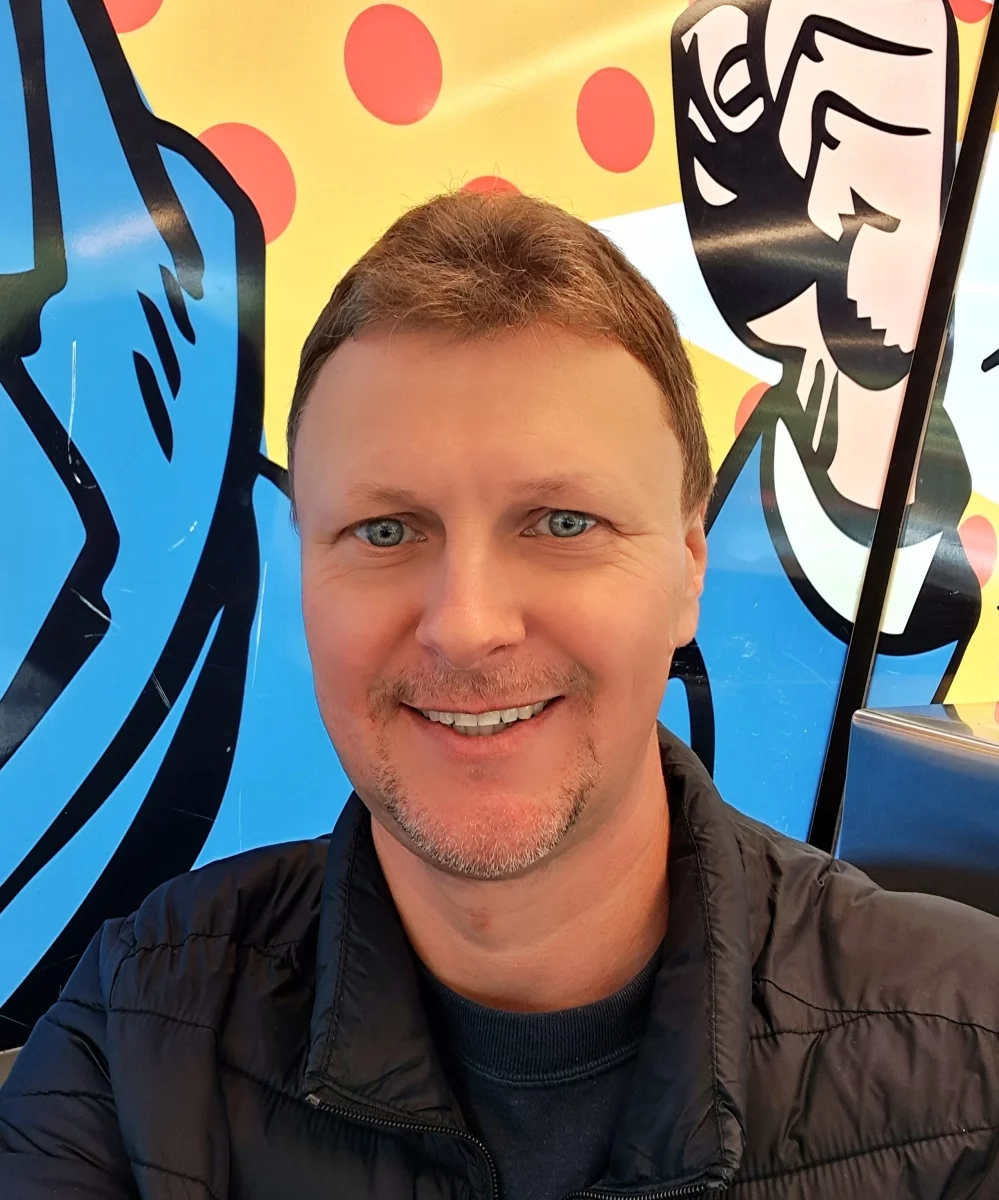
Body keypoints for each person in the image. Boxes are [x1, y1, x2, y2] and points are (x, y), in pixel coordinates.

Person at [2, 190, 998, 1200]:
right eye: (385, 531)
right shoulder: (135, 1035)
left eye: (562, 523)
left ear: (689, 567)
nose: (466, 624)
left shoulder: (970, 1059)